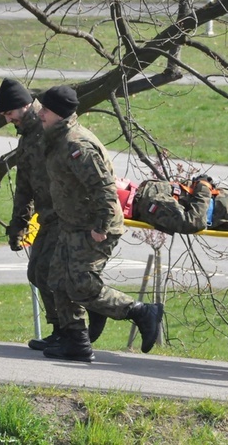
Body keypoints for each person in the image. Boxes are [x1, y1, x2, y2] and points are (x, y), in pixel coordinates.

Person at [38, 84, 164, 362]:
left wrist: (102, 226)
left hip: (93, 226)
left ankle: (141, 311)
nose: (40, 114)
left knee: (81, 285)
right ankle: (76, 341)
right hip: (72, 223)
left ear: (58, 114)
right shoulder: (57, 137)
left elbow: (105, 189)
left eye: (45, 110)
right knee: (58, 280)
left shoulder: (77, 145)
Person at [0, 78, 107, 351]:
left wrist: (96, 218)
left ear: (23, 106)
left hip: (67, 214)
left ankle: (75, 328)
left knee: (52, 273)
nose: (8, 120)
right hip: (49, 215)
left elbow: (94, 180)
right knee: (37, 272)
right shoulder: (28, 137)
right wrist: (19, 223)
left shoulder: (49, 131)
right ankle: (60, 328)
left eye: (9, 113)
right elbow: (25, 184)